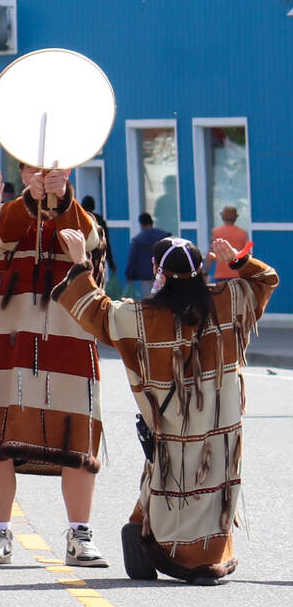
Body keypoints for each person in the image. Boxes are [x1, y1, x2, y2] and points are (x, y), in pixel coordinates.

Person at [55, 228, 274, 583]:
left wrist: (81, 263)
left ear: (158, 269)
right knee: (214, 490)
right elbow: (266, 280)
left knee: (167, 479)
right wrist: (237, 259)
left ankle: (146, 533)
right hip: (222, 427)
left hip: (172, 427)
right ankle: (200, 560)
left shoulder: (138, 317)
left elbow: (94, 309)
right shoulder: (230, 298)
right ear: (201, 268)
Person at [0, 165, 107, 569]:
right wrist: (31, 199)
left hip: (69, 335)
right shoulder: (7, 211)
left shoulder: (80, 212)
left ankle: (80, 535)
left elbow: (89, 238)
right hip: (9, 336)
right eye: (34, 166)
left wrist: (61, 198)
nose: (44, 172)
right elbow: (1, 235)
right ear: (23, 171)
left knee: (78, 439)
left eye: (54, 168)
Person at [124, 213, 170, 300]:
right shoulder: (164, 237)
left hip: (146, 278)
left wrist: (129, 276)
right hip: (164, 277)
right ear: (151, 222)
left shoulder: (137, 240)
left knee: (148, 306)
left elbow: (132, 260)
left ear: (141, 224)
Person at [211, 206, 250, 281]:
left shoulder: (215, 232)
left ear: (222, 217)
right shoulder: (243, 233)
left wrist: (205, 272)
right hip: (239, 274)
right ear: (236, 218)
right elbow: (247, 255)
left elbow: (210, 254)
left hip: (221, 275)